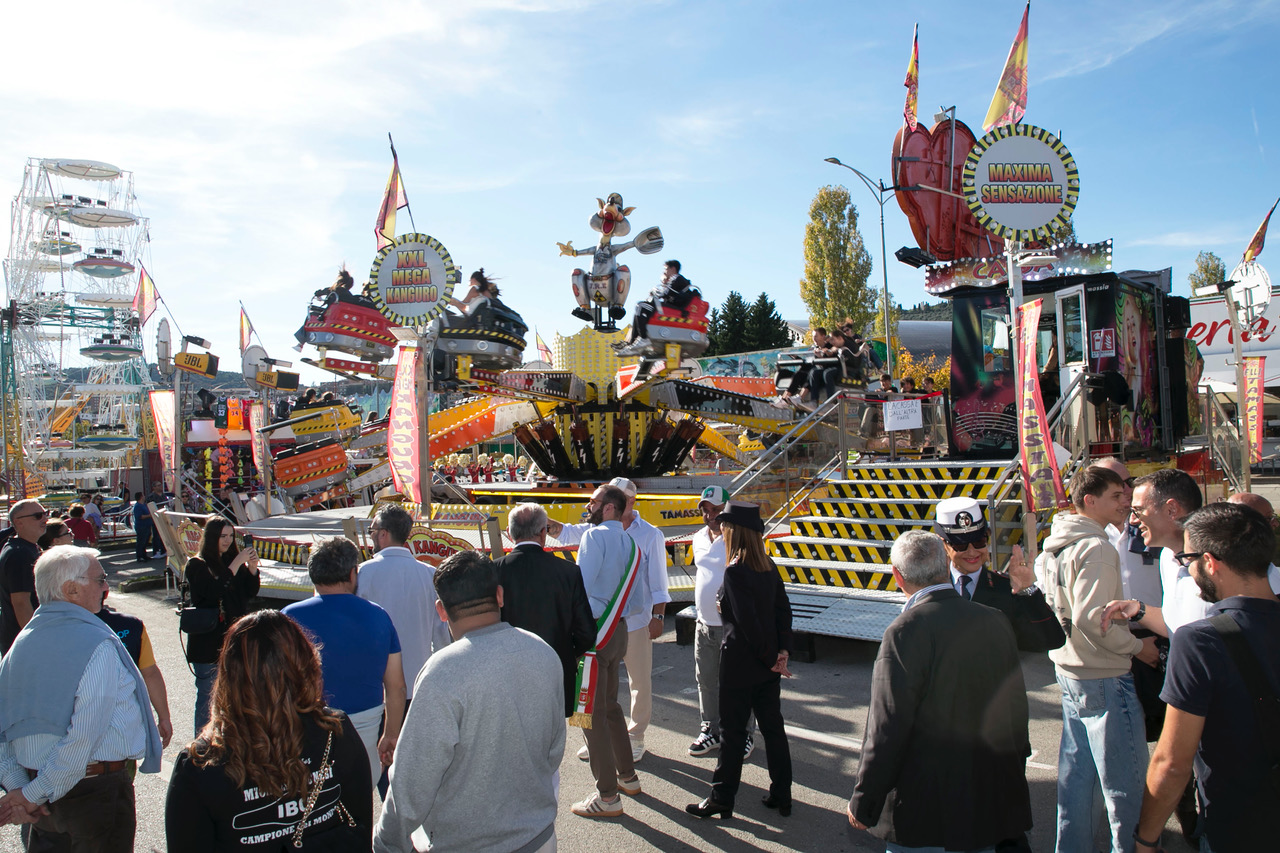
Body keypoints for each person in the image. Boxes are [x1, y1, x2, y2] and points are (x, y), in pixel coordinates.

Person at [847, 531, 1032, 850]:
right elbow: (1015, 708)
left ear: (897, 576)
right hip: (987, 802)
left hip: (927, 809)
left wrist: (865, 802)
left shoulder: (905, 630)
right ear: (947, 564)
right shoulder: (995, 619)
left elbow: (887, 726)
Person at [373, 550, 563, 853]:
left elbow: (412, 780)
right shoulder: (543, 652)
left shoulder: (443, 671)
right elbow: (553, 752)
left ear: (442, 610)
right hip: (539, 836)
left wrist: (387, 842)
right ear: (499, 595)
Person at [1134, 502, 1280, 852]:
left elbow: (1172, 763)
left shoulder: (1201, 641)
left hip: (1241, 828)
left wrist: (1145, 840)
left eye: (1188, 561)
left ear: (1211, 562)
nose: (1187, 570)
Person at [164, 610, 373, 851]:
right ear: (305, 663)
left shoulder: (201, 764)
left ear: (228, 674)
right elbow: (360, 828)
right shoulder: (335, 731)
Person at [0, 546, 163, 849]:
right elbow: (84, 737)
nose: (106, 586)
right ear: (71, 589)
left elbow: (2, 730)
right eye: (100, 578)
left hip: (44, 794)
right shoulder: (96, 644)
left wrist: (22, 788)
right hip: (93, 794)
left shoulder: (18, 646)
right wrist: (30, 794)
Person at [1042, 465, 1150, 853]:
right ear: (1090, 500)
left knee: (1078, 784)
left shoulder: (1056, 541)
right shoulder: (1096, 547)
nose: (1125, 503)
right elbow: (1094, 617)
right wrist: (1140, 648)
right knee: (1126, 786)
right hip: (1103, 673)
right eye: (1117, 496)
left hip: (1072, 670)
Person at [686, 501, 793, 820]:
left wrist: (771, 657)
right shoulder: (768, 565)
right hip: (766, 666)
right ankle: (782, 793)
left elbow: (748, 623)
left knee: (732, 734)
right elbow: (782, 611)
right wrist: (781, 653)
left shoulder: (735, 571)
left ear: (736, 533)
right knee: (773, 729)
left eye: (726, 527)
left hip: (740, 665)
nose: (722, 530)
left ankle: (721, 798)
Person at [549, 477, 668, 763]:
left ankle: (635, 737)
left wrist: (658, 616)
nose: (591, 506)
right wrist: (553, 527)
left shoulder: (650, 535)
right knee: (601, 685)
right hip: (615, 622)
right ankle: (599, 739)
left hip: (633, 622)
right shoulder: (597, 529)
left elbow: (658, 582)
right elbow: (570, 533)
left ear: (628, 502)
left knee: (637, 683)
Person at [283, 537, 407, 789]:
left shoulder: (288, 618)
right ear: (353, 573)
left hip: (303, 739)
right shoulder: (378, 615)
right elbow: (396, 687)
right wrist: (391, 735)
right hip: (364, 739)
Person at [357, 504, 451, 795]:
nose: (372, 536)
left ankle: (390, 821)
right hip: (416, 682)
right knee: (412, 762)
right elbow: (442, 636)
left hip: (374, 685)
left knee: (373, 759)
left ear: (383, 534)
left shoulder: (362, 574)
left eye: (373, 531)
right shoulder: (428, 574)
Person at [565, 485, 642, 818]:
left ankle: (607, 796)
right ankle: (628, 776)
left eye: (594, 502)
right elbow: (636, 601)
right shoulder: (631, 543)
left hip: (592, 634)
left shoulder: (593, 538)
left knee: (587, 714)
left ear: (608, 508)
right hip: (618, 630)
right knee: (610, 706)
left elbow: (579, 589)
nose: (589, 506)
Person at [494, 503, 595, 717]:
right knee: (551, 740)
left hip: (508, 670)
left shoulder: (493, 571)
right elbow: (586, 631)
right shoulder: (569, 572)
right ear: (543, 533)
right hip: (555, 666)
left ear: (509, 534)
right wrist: (568, 652)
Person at [933, 496, 1065, 653]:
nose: (972, 551)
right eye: (960, 545)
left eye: (979, 541)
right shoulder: (932, 589)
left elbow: (1051, 640)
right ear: (943, 544)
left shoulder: (1006, 588)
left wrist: (1027, 591)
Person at [688, 484, 757, 757]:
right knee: (705, 680)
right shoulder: (698, 538)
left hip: (732, 627)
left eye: (715, 510)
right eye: (705, 510)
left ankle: (744, 734)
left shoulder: (739, 539)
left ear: (727, 509)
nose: (710, 515)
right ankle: (711, 729)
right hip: (703, 624)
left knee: (738, 682)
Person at [183, 516, 260, 733]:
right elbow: (212, 592)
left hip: (234, 638)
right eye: (222, 536)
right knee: (208, 697)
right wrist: (237, 563)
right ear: (211, 538)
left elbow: (250, 592)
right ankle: (201, 743)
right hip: (208, 642)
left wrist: (252, 568)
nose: (227, 541)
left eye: (230, 536)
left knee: (236, 696)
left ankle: (229, 741)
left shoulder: (231, 561)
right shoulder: (197, 564)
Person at [1, 499, 46, 654]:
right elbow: (21, 602)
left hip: (19, 638)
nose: (44, 519)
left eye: (44, 514)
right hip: (24, 642)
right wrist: (36, 638)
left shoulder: (25, 548)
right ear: (18, 522)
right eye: (38, 515)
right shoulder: (19, 554)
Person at [617, 259, 693, 350]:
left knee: (640, 306)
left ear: (673, 268)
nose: (664, 272)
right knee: (641, 307)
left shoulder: (676, 278)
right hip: (671, 307)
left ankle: (643, 338)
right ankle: (631, 342)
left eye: (665, 269)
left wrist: (655, 291)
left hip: (674, 309)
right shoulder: (677, 280)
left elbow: (665, 293)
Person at [130, 492, 153, 563]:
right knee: (141, 541)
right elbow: (140, 516)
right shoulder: (137, 506)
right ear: (141, 497)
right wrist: (149, 515)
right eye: (143, 495)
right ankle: (139, 556)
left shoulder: (144, 505)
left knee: (145, 541)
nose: (144, 496)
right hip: (141, 526)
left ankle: (144, 555)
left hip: (147, 525)